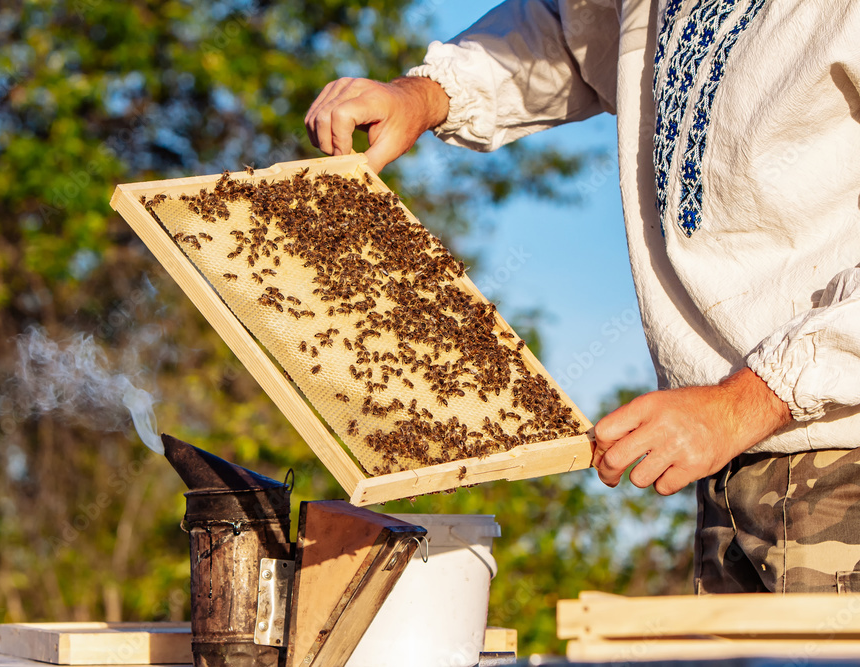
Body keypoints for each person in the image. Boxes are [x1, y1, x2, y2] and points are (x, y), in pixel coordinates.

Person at [305, 0, 860, 594]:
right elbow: (571, 32)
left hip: (840, 459)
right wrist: (426, 93)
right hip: (727, 469)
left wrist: (740, 405)